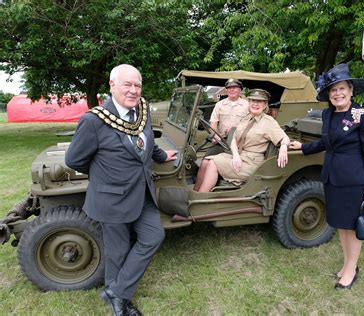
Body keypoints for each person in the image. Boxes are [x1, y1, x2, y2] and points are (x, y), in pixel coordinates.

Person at [65, 64, 177, 316]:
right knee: (118, 251)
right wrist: (103, 174)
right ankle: (119, 303)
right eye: (127, 84)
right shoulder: (94, 121)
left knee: (153, 236)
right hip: (112, 198)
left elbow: (146, 140)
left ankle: (116, 291)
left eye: (137, 85)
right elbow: (74, 160)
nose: (134, 90)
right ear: (112, 85)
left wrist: (160, 155)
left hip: (143, 192)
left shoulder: (142, 112)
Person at [289, 63, 364, 290]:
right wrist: (303, 147)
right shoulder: (328, 114)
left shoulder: (363, 115)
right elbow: (327, 143)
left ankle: (351, 270)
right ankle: (348, 264)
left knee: (353, 226)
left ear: (351, 90)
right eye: (333, 90)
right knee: (340, 224)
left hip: (353, 180)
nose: (337, 93)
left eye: (341, 88)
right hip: (331, 177)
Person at [194, 88, 290, 192]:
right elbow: (234, 138)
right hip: (239, 156)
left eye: (259, 101)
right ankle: (194, 192)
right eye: (253, 101)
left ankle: (199, 199)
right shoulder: (247, 118)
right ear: (249, 102)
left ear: (265, 105)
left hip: (251, 164)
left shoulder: (268, 122)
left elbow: (284, 137)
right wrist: (235, 155)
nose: (255, 104)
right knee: (205, 161)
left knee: (212, 163)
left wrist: (284, 147)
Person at [206, 78, 249, 156]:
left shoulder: (247, 105)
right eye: (229, 88)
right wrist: (215, 136)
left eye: (234, 87)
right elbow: (213, 122)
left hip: (239, 141)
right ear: (226, 90)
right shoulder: (219, 104)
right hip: (222, 140)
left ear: (240, 90)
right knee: (208, 157)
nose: (231, 90)